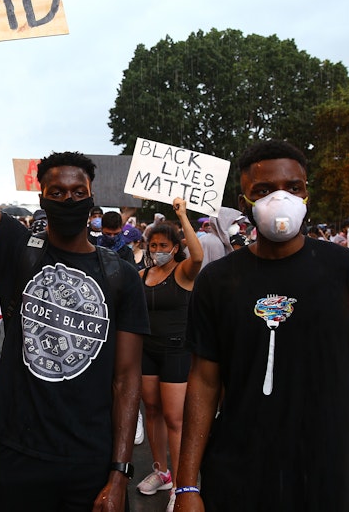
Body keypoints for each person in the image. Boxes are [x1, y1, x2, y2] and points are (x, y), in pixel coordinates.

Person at [0, 26, 150, 512]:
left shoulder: (120, 275)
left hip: (89, 462)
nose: (68, 198)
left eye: (78, 192)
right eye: (57, 192)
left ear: (92, 198)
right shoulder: (15, 249)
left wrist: (119, 474)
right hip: (16, 453)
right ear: (40, 198)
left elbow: (127, 379)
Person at [173, 140, 349, 512]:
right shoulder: (217, 281)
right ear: (244, 202)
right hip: (239, 473)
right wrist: (186, 487)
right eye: (263, 190)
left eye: (293, 187)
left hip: (329, 473)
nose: (281, 198)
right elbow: (204, 382)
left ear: (307, 193)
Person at [137, 198, 203, 512]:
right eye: (153, 244)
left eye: (164, 244)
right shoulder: (141, 276)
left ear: (176, 247)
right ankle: (161, 472)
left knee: (175, 419)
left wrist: (183, 216)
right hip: (147, 352)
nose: (158, 249)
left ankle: (182, 483)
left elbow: (199, 255)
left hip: (177, 351)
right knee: (152, 410)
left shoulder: (184, 272)